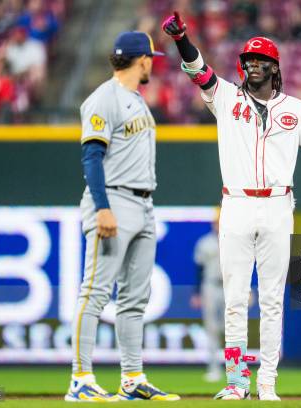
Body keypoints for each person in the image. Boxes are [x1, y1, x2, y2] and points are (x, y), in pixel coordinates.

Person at [163, 11, 301, 401]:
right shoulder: (225, 97)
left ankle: (268, 383)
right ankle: (236, 382)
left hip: (279, 206)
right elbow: (198, 69)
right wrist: (180, 39)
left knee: (273, 300)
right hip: (237, 204)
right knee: (235, 299)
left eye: (261, 62)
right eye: (248, 61)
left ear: (275, 68)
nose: (253, 66)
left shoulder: (296, 108)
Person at [65, 31, 180, 402]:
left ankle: (132, 378)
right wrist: (102, 207)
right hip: (113, 200)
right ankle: (80, 378)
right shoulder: (104, 98)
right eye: (150, 58)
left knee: (134, 299)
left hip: (144, 203)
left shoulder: (135, 100)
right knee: (96, 292)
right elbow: (91, 157)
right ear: (141, 59)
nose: (153, 63)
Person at [191, 215, 224, 382]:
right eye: (216, 222)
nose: (218, 225)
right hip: (210, 285)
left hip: (230, 286)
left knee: (233, 328)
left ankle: (237, 368)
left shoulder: (235, 240)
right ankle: (214, 369)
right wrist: (196, 293)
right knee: (212, 329)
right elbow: (198, 269)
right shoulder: (205, 242)